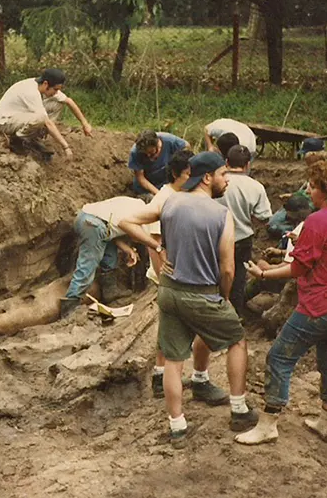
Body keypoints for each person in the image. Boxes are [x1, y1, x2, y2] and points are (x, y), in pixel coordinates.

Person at [119, 152, 258, 448]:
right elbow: (228, 267)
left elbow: (125, 220)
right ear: (207, 177)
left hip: (169, 291)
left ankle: (178, 427)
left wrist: (155, 245)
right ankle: (239, 410)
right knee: (237, 340)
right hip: (202, 293)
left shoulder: (169, 202)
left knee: (172, 359)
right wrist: (224, 296)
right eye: (222, 174)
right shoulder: (221, 214)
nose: (227, 178)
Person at [234, 160, 327, 446]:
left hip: (323, 303)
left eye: (313, 186)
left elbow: (298, 269)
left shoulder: (317, 221)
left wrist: (263, 273)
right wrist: (301, 241)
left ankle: (268, 423)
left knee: (279, 357)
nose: (308, 189)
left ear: (326, 191)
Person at [144, 151, 229, 406]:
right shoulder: (167, 199)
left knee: (172, 333)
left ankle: (167, 379)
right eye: (187, 175)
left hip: (185, 275)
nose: (190, 179)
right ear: (177, 174)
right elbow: (154, 240)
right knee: (178, 337)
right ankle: (174, 380)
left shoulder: (184, 197)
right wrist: (162, 273)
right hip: (176, 277)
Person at [59, 196, 154, 318]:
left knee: (110, 257)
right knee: (88, 265)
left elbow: (113, 226)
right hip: (93, 225)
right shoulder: (142, 214)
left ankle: (110, 291)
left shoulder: (134, 203)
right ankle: (70, 307)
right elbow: (134, 233)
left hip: (92, 220)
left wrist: (127, 249)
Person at [216, 145, 272, 315]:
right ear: (248, 164)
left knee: (214, 277)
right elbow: (264, 217)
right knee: (238, 280)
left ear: (226, 162)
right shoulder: (255, 187)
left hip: (214, 238)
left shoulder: (216, 182)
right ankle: (235, 316)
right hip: (241, 239)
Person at [0, 68, 92, 160]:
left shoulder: (41, 86)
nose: (57, 93)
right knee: (41, 118)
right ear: (45, 84)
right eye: (56, 89)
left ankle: (35, 136)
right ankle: (17, 140)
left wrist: (85, 124)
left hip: (20, 116)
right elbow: (47, 122)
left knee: (58, 103)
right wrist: (66, 147)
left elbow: (69, 101)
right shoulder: (31, 92)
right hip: (4, 122)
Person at [128, 130, 190, 197]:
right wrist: (159, 194)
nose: (148, 156)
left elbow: (187, 147)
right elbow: (141, 178)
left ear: (158, 145)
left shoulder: (170, 141)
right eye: (145, 154)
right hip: (146, 188)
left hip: (166, 181)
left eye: (152, 153)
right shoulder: (135, 152)